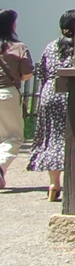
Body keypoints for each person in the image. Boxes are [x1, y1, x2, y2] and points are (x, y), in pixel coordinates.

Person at [28, 12, 75, 202]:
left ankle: (54, 184)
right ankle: (73, 183)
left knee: (52, 138)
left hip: (50, 94)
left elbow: (41, 72)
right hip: (72, 94)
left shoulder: (50, 46)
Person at [0, 10, 30, 189]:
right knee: (13, 137)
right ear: (11, 25)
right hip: (7, 94)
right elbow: (27, 74)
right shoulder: (18, 47)